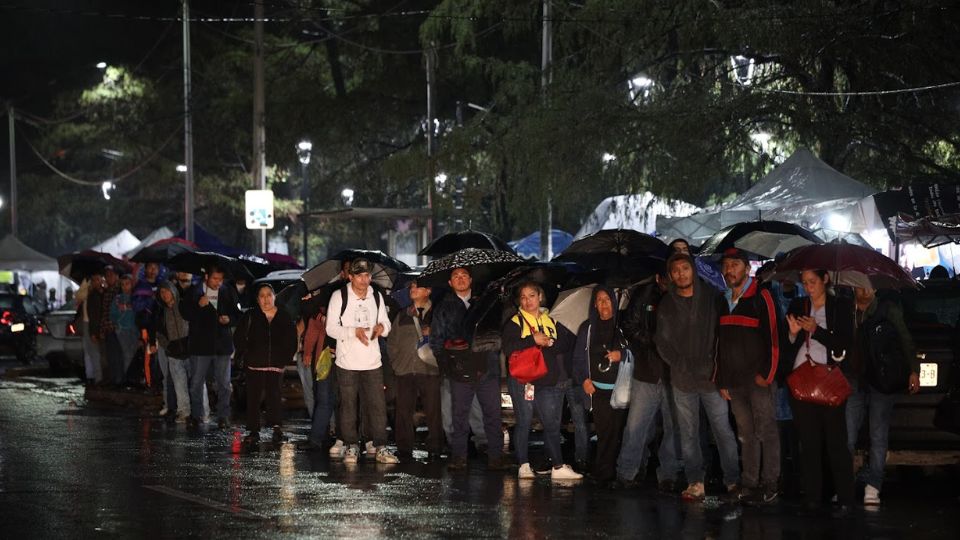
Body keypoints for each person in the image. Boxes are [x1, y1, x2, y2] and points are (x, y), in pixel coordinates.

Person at [655, 253, 740, 501]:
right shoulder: (667, 304)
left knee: (722, 430)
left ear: (693, 270)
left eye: (685, 268)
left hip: (711, 378)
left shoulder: (712, 298)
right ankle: (695, 481)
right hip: (682, 379)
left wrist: (715, 366)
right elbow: (662, 341)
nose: (681, 274)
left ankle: (733, 480)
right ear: (671, 276)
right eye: (676, 271)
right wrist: (680, 364)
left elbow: (722, 335)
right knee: (688, 433)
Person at [783, 269, 855, 514]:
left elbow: (845, 343)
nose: (808, 287)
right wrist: (792, 334)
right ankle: (812, 496)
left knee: (836, 442)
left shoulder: (841, 306)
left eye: (812, 282)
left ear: (825, 280)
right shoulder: (798, 303)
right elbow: (785, 344)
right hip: (802, 381)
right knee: (809, 443)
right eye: (804, 282)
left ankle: (845, 496)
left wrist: (817, 330)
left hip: (830, 380)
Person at [716, 248, 781, 505]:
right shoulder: (723, 300)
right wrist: (721, 380)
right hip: (733, 382)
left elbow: (774, 339)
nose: (729, 269)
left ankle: (771, 482)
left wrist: (767, 373)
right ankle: (750, 482)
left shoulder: (761, 296)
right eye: (726, 265)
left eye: (735, 264)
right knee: (746, 433)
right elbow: (718, 344)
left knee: (766, 430)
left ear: (747, 268)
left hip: (758, 380)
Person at [502, 281, 582, 480]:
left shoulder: (551, 320)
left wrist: (550, 342)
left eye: (532, 295)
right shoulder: (515, 321)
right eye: (523, 297)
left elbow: (564, 344)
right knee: (524, 421)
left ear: (540, 297)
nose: (528, 300)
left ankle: (557, 466)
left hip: (548, 380)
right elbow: (508, 347)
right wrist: (532, 340)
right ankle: (523, 465)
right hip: (523, 379)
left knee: (552, 423)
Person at [429, 267, 507, 471]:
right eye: (456, 276)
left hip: (487, 369)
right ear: (450, 282)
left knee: (492, 414)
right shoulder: (443, 307)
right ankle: (459, 457)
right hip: (459, 371)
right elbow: (436, 342)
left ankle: (496, 457)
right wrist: (448, 366)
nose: (460, 279)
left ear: (471, 279)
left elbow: (498, 333)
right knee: (459, 416)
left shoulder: (485, 302)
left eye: (464, 275)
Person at [848, 285, 919, 505]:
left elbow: (905, 339)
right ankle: (845, 485)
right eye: (859, 284)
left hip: (882, 379)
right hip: (855, 379)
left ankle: (873, 485)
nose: (864, 289)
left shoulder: (888, 309)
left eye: (869, 285)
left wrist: (913, 370)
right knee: (847, 435)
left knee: (877, 435)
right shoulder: (847, 310)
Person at [325, 258, 398, 464]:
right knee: (348, 405)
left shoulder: (376, 296)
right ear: (350, 276)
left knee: (377, 405)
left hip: (372, 361)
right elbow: (330, 328)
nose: (364, 279)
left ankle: (380, 446)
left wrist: (382, 328)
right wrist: (352, 332)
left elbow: (386, 322)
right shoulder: (339, 297)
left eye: (367, 275)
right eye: (359, 275)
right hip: (347, 362)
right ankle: (351, 445)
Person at [615, 273, 683, 491]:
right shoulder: (644, 295)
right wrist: (651, 342)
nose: (672, 278)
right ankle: (626, 472)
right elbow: (629, 325)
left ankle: (668, 474)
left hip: (675, 375)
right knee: (636, 426)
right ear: (658, 277)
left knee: (674, 428)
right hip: (647, 371)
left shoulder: (686, 298)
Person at [573, 286, 628, 483]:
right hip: (598, 390)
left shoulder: (623, 325)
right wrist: (583, 381)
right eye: (599, 300)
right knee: (605, 432)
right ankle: (604, 471)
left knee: (620, 431)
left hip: (621, 390)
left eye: (607, 299)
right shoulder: (587, 328)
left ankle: (620, 470)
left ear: (614, 302)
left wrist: (621, 355)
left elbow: (637, 351)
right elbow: (578, 359)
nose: (604, 303)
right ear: (594, 304)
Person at [234, 284, 298, 448]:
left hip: (276, 365)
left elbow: (291, 340)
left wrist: (285, 357)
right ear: (257, 299)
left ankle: (276, 427)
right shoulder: (250, 315)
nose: (266, 299)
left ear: (274, 296)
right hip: (254, 364)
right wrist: (246, 355)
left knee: (274, 396)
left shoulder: (283, 316)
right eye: (262, 296)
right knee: (254, 398)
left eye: (269, 295)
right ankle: (253, 430)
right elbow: (239, 337)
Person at [387, 278, 444, 461]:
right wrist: (396, 364)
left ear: (427, 291)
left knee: (433, 411)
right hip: (405, 370)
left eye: (417, 286)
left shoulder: (438, 313)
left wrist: (433, 332)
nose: (412, 289)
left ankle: (435, 448)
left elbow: (447, 337)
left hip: (429, 370)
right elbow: (392, 342)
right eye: (411, 286)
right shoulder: (402, 314)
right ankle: (404, 448)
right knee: (403, 411)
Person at [180, 265, 241, 429]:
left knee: (224, 383)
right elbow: (185, 313)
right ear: (206, 276)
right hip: (200, 345)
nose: (218, 283)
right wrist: (198, 306)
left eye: (221, 279)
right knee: (196, 383)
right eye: (215, 279)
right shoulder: (194, 291)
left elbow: (237, 314)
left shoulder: (227, 291)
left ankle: (223, 416)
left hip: (222, 345)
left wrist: (229, 319)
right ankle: (196, 415)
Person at [154, 281, 192, 423]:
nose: (164, 295)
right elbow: (159, 333)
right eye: (161, 292)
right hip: (174, 353)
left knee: (196, 383)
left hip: (189, 350)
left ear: (173, 291)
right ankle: (184, 412)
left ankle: (201, 412)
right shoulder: (161, 312)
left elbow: (193, 323)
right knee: (179, 384)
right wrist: (168, 346)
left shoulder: (184, 306)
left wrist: (191, 342)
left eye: (166, 291)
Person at [108, 274, 139, 386]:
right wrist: (116, 322)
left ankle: (132, 379)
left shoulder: (137, 296)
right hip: (122, 329)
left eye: (127, 284)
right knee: (127, 354)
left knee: (135, 354)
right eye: (123, 284)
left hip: (135, 329)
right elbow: (112, 314)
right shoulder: (117, 299)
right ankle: (127, 380)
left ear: (132, 284)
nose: (125, 287)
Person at [75, 273, 105, 385]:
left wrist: (94, 331)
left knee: (94, 352)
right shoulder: (89, 292)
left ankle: (98, 378)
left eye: (97, 279)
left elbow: (96, 314)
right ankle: (91, 376)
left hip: (93, 325)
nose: (95, 282)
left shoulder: (100, 293)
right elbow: (78, 297)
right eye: (93, 280)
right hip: (86, 323)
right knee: (88, 352)